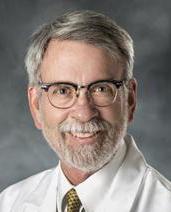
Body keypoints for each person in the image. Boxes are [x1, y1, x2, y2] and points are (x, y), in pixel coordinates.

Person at [0, 10, 171, 212]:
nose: (84, 112)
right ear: (36, 106)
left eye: (101, 89)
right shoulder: (9, 203)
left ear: (130, 100)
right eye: (62, 90)